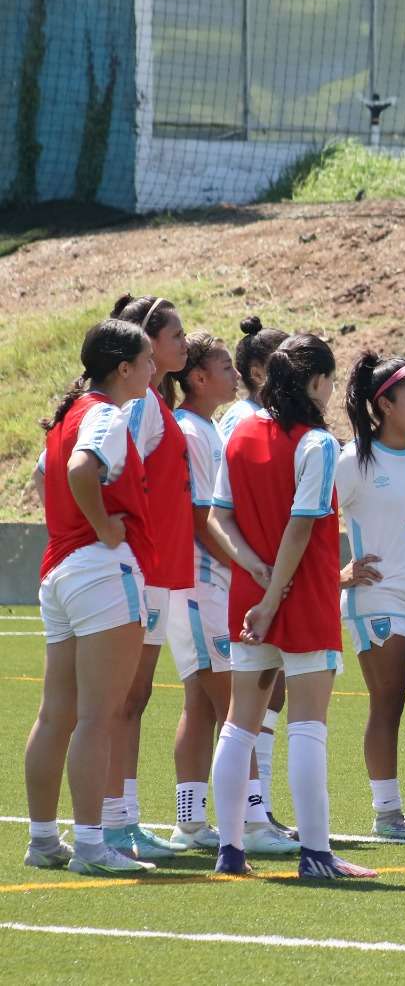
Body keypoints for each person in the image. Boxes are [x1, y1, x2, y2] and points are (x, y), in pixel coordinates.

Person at [209, 334, 376, 880]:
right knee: (308, 726)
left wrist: (255, 576)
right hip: (301, 597)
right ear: (316, 382)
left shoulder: (237, 433)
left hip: (251, 593)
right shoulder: (318, 444)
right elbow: (302, 527)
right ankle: (317, 854)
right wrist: (275, 591)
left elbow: (217, 517)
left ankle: (231, 851)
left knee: (239, 725)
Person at [24, 321, 157, 875]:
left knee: (56, 714)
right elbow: (81, 470)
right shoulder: (105, 413)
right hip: (100, 571)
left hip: (59, 570)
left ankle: (43, 840)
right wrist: (102, 527)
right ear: (122, 368)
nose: (153, 371)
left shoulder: (66, 416)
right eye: (146, 360)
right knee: (99, 716)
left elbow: (42, 478)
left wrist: (80, 526)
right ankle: (93, 846)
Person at [169, 332, 293, 855]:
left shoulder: (205, 427)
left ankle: (191, 820)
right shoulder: (196, 431)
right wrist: (249, 567)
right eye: (224, 365)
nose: (234, 373)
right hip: (203, 584)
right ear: (199, 378)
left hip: (202, 584)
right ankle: (254, 820)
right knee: (235, 708)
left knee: (202, 703)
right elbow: (204, 520)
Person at [103, 295, 193, 863]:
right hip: (139, 567)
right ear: (148, 345)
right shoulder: (139, 407)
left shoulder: (156, 402)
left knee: (134, 698)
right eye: (175, 335)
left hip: (157, 567)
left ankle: (125, 817)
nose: (185, 343)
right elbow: (113, 473)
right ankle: (111, 822)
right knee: (120, 698)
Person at [337, 352, 405, 840]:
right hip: (378, 597)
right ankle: (387, 813)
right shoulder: (354, 460)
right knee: (388, 702)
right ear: (384, 404)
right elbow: (305, 520)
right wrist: (337, 575)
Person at [221, 316, 293, 836]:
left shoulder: (273, 419)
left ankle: (256, 805)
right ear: (257, 369)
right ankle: (244, 815)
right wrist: (254, 565)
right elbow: (220, 508)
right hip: (248, 576)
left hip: (270, 575)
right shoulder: (241, 421)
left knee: (273, 692)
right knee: (240, 703)